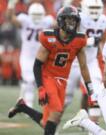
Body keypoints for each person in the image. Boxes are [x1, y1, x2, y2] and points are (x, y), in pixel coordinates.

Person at [8, 6, 94, 135]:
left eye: (74, 20)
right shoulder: (49, 37)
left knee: (46, 121)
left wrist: (91, 90)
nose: (71, 23)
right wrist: (41, 87)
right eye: (68, 20)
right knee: (57, 112)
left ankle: (22, 107)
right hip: (48, 77)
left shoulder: (79, 40)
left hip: (63, 80)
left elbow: (84, 67)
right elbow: (37, 65)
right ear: (60, 20)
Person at [65, 0, 106, 127]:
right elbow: (68, 36)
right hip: (73, 62)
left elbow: (102, 38)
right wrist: (87, 41)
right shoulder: (78, 17)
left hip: (90, 62)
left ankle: (93, 130)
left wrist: (105, 54)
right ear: (84, 7)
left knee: (96, 96)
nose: (95, 10)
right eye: (92, 7)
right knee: (65, 99)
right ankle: (52, 128)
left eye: (97, 7)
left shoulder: (103, 20)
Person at [7, 1, 55, 107]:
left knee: (36, 81)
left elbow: (59, 24)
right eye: (35, 15)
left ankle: (22, 100)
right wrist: (10, 5)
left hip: (42, 56)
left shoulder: (47, 20)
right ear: (29, 14)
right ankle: (28, 106)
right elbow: (11, 19)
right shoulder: (25, 20)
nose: (37, 18)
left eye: (39, 15)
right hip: (27, 56)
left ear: (43, 15)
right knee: (29, 80)